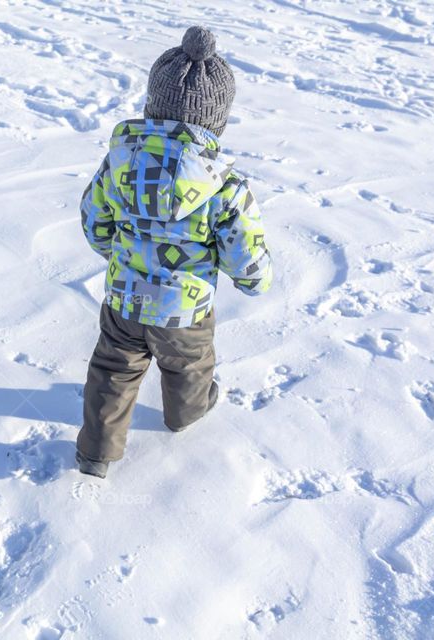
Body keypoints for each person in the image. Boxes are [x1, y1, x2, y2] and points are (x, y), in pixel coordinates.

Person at [76, 26, 273, 478]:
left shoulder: (119, 162)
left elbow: (94, 217)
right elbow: (244, 249)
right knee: (189, 365)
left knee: (113, 369)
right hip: (186, 308)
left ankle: (96, 454)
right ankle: (187, 415)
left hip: (125, 297)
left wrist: (113, 251)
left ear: (152, 107)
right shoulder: (223, 185)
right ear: (216, 121)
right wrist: (253, 279)